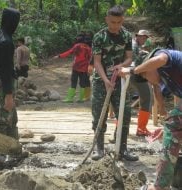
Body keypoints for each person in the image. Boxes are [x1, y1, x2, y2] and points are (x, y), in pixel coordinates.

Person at [120, 48, 182, 190]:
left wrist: (132, 70)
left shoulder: (163, 56)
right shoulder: (168, 78)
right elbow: (176, 104)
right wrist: (168, 124)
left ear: (149, 65)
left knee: (173, 126)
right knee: (174, 127)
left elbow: (160, 60)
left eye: (145, 75)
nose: (148, 79)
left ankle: (159, 186)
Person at [91, 5, 138, 161]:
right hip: (100, 81)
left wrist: (122, 65)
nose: (115, 26)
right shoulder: (99, 37)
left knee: (124, 114)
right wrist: (105, 80)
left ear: (122, 20)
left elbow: (129, 58)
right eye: (112, 22)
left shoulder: (126, 36)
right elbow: (97, 62)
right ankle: (99, 149)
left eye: (118, 22)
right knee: (99, 114)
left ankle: (122, 148)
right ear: (107, 19)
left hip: (121, 81)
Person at [0, 8, 20, 163]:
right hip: (4, 84)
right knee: (2, 119)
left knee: (12, 118)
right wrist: (8, 95)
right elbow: (7, 70)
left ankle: (15, 150)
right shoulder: (6, 42)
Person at [53, 33, 92, 103]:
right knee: (82, 84)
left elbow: (69, 52)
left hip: (76, 67)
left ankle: (70, 98)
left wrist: (59, 56)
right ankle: (81, 98)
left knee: (73, 83)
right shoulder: (89, 48)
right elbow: (91, 59)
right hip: (84, 69)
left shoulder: (77, 46)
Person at [131, 30, 153, 136]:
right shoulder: (134, 45)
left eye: (145, 38)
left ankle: (120, 130)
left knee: (122, 102)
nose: (144, 39)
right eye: (142, 37)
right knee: (147, 98)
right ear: (137, 36)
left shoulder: (134, 45)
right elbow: (136, 61)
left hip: (126, 75)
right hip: (135, 74)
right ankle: (141, 128)